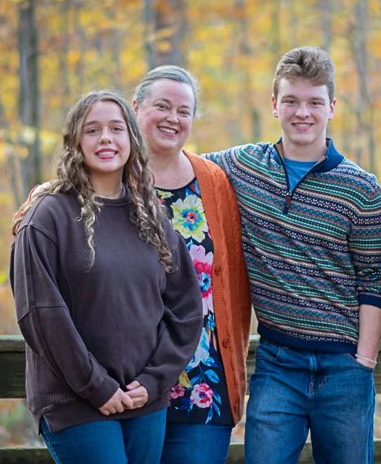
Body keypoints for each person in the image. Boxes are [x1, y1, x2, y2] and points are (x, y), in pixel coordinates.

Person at [205, 46, 381, 464]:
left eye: (313, 102)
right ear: (274, 105)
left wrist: (362, 360)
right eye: (290, 101)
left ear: (332, 107)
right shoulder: (242, 167)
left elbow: (376, 278)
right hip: (276, 363)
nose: (301, 113)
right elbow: (178, 169)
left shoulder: (360, 188)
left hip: (344, 367)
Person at [10, 90, 203, 464]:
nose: (106, 139)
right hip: (76, 401)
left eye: (116, 129)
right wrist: (95, 386)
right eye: (92, 130)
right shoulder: (48, 218)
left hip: (144, 399)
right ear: (75, 142)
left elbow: (185, 308)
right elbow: (41, 315)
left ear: (131, 138)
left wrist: (154, 380)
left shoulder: (151, 216)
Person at [132, 66, 252, 464]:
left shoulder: (213, 180)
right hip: (128, 378)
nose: (173, 118)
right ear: (135, 108)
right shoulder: (109, 172)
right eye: (161, 106)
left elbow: (234, 279)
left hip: (203, 382)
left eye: (184, 111)